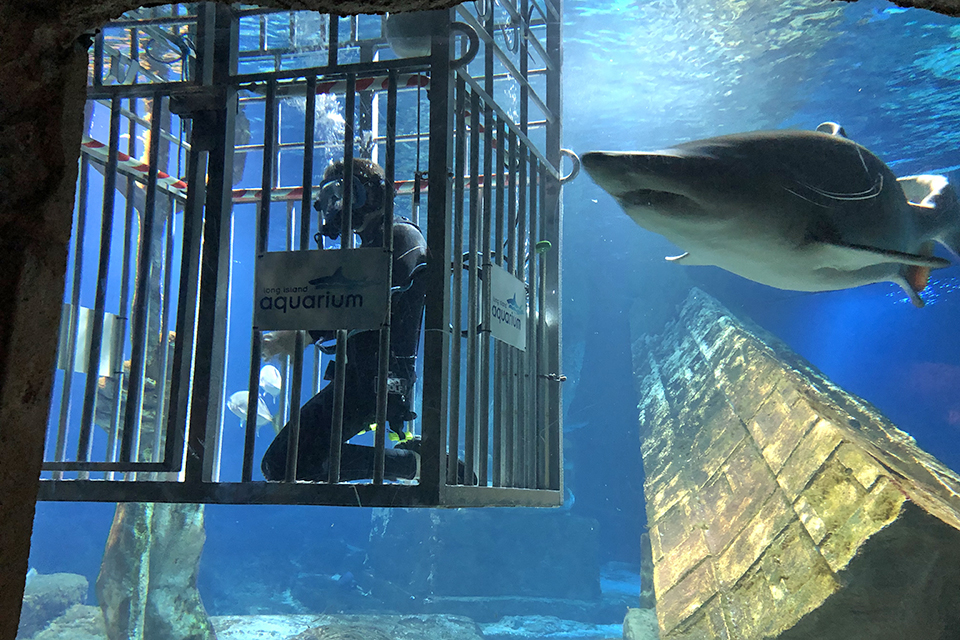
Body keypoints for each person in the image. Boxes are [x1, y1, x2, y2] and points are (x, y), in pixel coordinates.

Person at [260, 158, 426, 482]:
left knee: (283, 463)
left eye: (344, 194)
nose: (336, 207)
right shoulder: (377, 244)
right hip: (361, 380)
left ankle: (414, 464)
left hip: (377, 382)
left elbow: (373, 293)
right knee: (287, 463)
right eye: (330, 198)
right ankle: (414, 463)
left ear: (372, 194)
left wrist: (305, 334)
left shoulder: (402, 236)